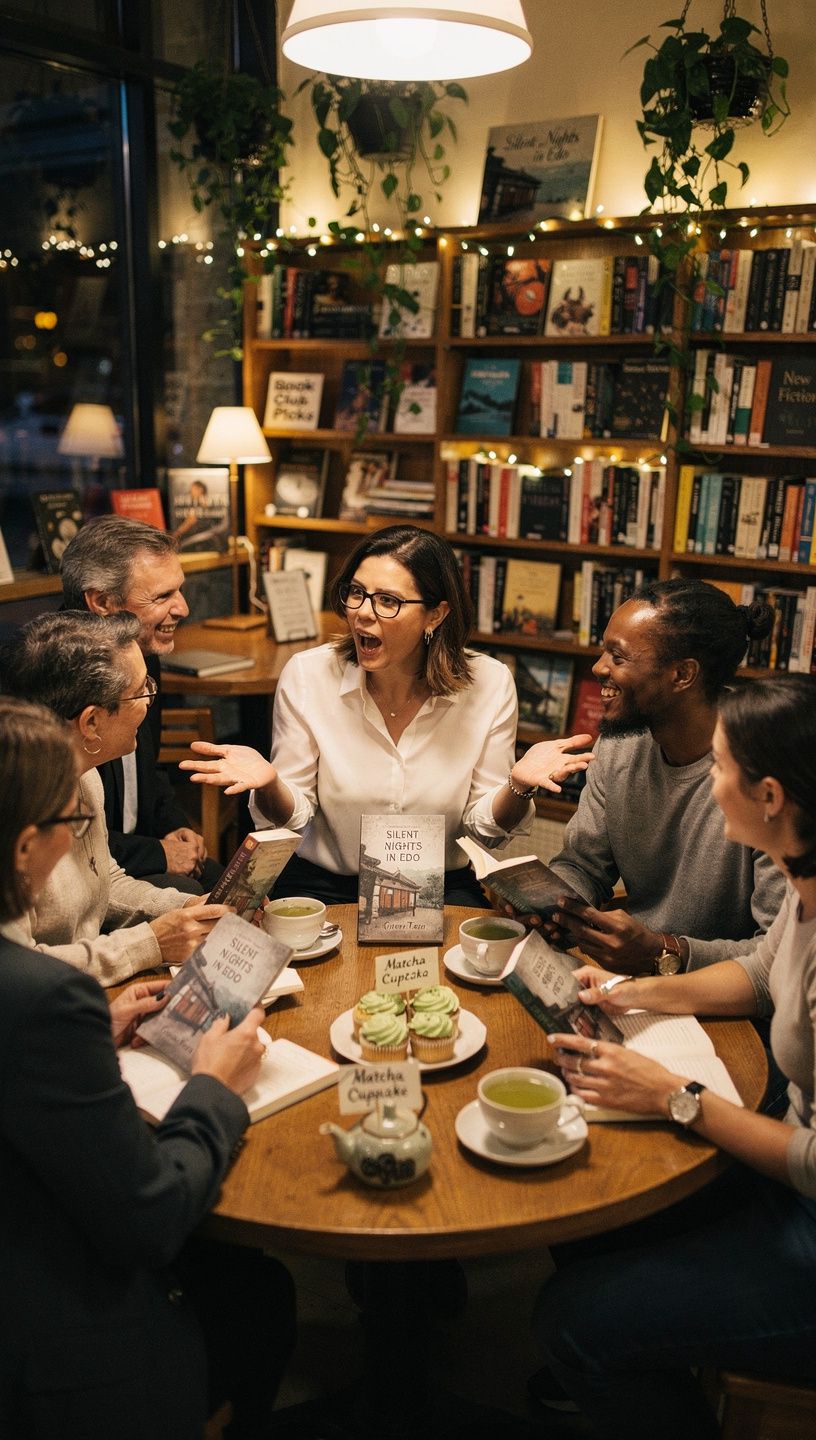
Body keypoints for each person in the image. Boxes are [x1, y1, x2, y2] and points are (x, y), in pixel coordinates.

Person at [0, 695, 294, 1439]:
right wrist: (210, 1088)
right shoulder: (44, 996)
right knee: (258, 1293)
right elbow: (150, 1218)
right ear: (24, 845)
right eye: (69, 825)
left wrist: (95, 1026)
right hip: (51, 1347)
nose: (76, 845)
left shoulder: (43, 1003)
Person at [534, 674, 816, 1440]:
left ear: (769, 796)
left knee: (573, 1321)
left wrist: (674, 1095)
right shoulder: (803, 883)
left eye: (719, 767)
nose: (703, 781)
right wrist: (635, 991)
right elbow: (760, 973)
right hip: (781, 1182)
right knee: (583, 1205)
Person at [183, 525, 594, 907]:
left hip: (439, 886)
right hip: (324, 886)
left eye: (388, 601)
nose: (362, 612)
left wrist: (518, 787)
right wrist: (271, 783)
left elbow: (483, 831)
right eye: (356, 593)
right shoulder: (309, 674)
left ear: (436, 614)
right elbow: (296, 818)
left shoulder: (490, 684)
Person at [544, 577, 785, 972]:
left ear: (682, 675)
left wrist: (665, 952)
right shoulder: (619, 743)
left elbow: (780, 952)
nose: (598, 668)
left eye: (618, 658)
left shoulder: (768, 770)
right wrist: (549, 902)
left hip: (732, 1000)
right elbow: (584, 864)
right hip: (640, 976)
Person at [0, 611, 228, 985]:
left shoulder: (86, 777)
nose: (150, 701)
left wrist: (186, 909)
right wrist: (151, 943)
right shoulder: (16, 817)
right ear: (91, 723)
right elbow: (19, 972)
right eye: (142, 691)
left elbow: (106, 879)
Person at [61, 514, 221, 891]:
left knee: (236, 885)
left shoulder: (142, 655)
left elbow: (147, 773)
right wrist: (159, 853)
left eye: (178, 590)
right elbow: (68, 838)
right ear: (102, 602)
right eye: (162, 596)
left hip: (141, 849)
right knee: (197, 895)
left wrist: (175, 827)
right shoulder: (55, 684)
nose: (182, 608)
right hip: (92, 874)